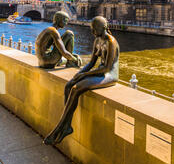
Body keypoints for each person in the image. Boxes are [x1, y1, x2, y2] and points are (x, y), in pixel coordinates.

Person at [44, 16, 119, 145]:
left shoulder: (111, 41)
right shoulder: (97, 40)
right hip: (100, 72)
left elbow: (107, 68)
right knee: (69, 85)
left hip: (110, 75)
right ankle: (67, 125)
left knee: (76, 88)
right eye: (92, 29)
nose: (92, 31)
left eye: (94, 28)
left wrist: (85, 75)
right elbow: (91, 63)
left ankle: (60, 127)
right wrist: (79, 74)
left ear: (103, 27)